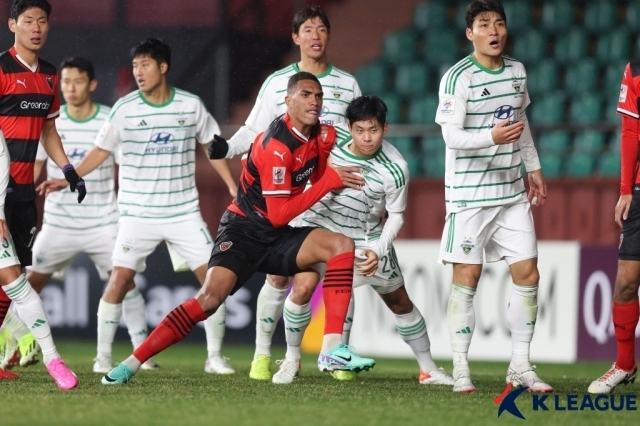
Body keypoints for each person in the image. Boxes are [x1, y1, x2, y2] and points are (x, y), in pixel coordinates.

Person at [100, 72, 375, 385]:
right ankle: (132, 363)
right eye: (306, 95)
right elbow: (279, 213)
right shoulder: (275, 146)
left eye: (319, 96)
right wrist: (327, 182)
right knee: (209, 300)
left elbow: (323, 173)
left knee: (342, 245)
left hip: (278, 234)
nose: (315, 101)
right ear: (288, 102)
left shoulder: (323, 136)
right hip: (243, 230)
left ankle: (331, 348)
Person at [38, 38, 238, 375]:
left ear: (163, 67)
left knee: (215, 282)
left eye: (145, 65)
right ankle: (103, 356)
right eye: (135, 66)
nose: (139, 72)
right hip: (136, 215)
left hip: (183, 212)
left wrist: (232, 185)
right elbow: (100, 152)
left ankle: (214, 356)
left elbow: (212, 146)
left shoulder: (190, 106)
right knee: (118, 282)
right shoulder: (124, 108)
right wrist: (68, 177)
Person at [219, 5, 362, 381]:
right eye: (308, 30)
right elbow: (254, 133)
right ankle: (264, 354)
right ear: (295, 37)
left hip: (335, 196)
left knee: (335, 272)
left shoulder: (348, 84)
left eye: (321, 29)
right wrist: (227, 149)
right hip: (292, 193)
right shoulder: (277, 83)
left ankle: (334, 355)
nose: (315, 36)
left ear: (328, 36)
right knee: (280, 278)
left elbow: (356, 138)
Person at [270, 96, 454, 386]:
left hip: (364, 239)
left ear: (385, 127)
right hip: (318, 227)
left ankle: (428, 369)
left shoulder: (395, 168)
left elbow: (396, 216)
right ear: (349, 127)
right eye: (360, 130)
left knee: (399, 302)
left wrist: (378, 251)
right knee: (302, 287)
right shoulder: (332, 143)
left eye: (374, 130)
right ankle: (292, 359)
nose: (366, 138)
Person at [0, 56, 160, 373]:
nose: (70, 88)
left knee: (125, 280)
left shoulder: (107, 119)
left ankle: (144, 352)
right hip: (59, 223)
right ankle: (17, 341)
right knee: (25, 282)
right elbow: (31, 167)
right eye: (65, 82)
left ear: (92, 84)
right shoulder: (48, 125)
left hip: (103, 221)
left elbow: (125, 164)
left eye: (78, 81)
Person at [434, 0, 550, 393]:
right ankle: (462, 367)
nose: (494, 30)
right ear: (470, 34)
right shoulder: (457, 78)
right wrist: (491, 137)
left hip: (511, 192)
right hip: (469, 196)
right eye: (484, 24)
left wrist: (531, 166)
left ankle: (520, 365)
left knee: (528, 273)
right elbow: (451, 136)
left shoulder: (517, 71)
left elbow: (522, 124)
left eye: (499, 23)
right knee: (467, 278)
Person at [0, 0, 83, 389]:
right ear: (12, 24)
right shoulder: (1, 68)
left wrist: (68, 169)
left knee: (13, 275)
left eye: (43, 21)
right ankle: (53, 360)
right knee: (15, 279)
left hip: (20, 193)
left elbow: (48, 131)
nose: (37, 27)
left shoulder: (49, 76)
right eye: (29, 20)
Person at [587, 60, 640, 394]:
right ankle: (624, 364)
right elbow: (631, 131)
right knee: (625, 282)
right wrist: (625, 190)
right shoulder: (634, 73)